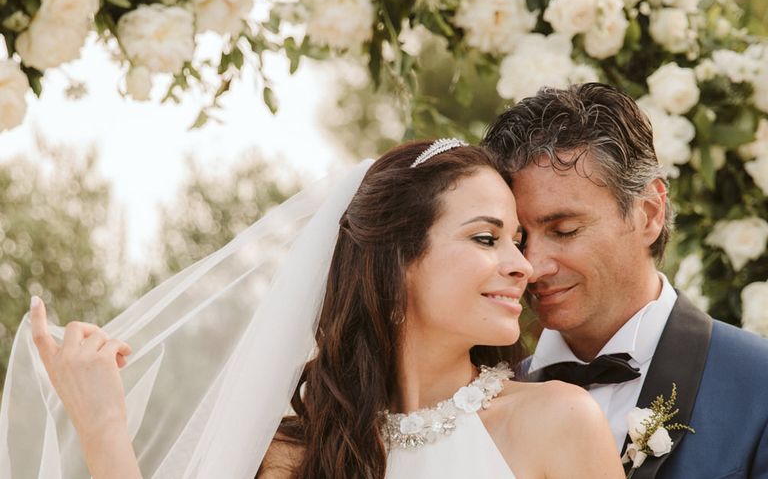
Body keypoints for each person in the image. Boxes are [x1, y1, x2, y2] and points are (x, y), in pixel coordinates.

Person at [3, 140, 623, 479]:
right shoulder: (294, 454)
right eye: (488, 238)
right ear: (397, 259)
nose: (523, 264)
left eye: (517, 241)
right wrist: (105, 431)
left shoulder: (557, 423)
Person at [483, 82, 768, 479]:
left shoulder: (759, 384)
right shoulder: (483, 400)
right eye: (517, 239)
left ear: (649, 213)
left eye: (564, 230)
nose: (532, 265)